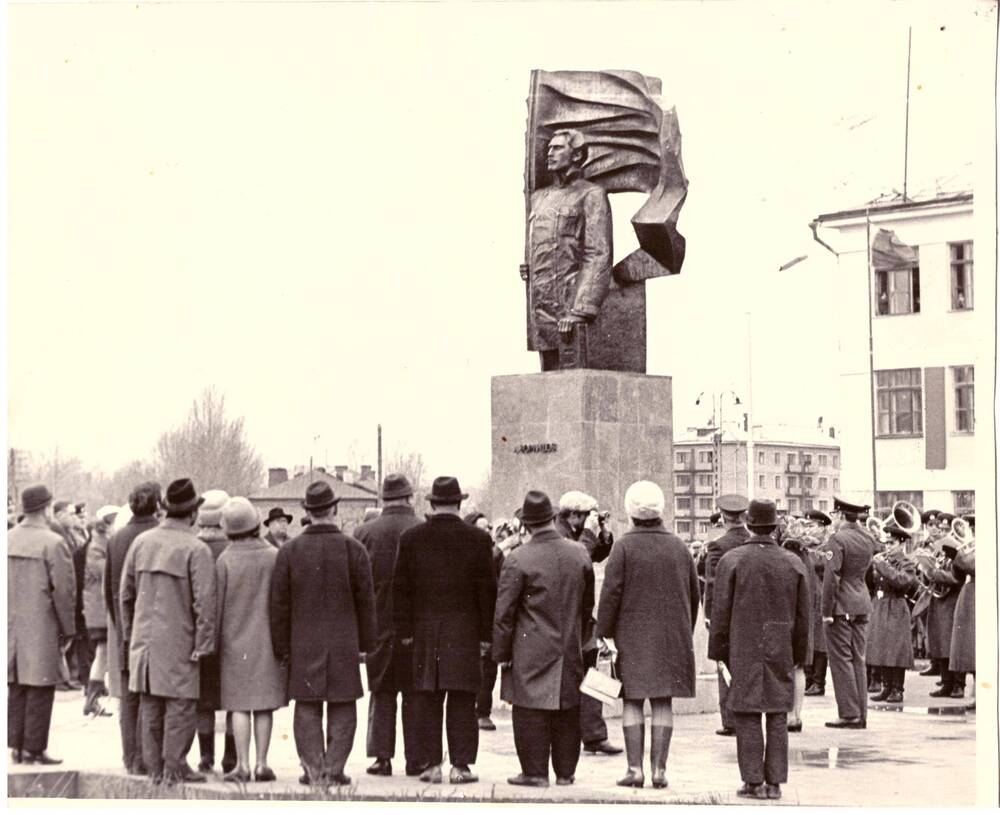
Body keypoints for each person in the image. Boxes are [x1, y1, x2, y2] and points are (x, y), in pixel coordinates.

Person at [269, 481, 376, 787]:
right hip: (344, 640)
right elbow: (366, 601)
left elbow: (279, 604)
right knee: (343, 703)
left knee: (307, 704)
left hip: (303, 641)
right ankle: (334, 768)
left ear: (307, 511)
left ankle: (314, 771)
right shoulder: (353, 549)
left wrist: (281, 646)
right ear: (335, 509)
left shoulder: (289, 551)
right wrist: (367, 643)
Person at [394, 476, 496, 784]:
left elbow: (401, 590)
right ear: (459, 503)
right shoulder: (478, 539)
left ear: (433, 504)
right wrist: (485, 636)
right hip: (464, 630)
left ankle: (431, 766)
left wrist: (406, 631)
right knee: (464, 699)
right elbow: (487, 592)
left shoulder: (411, 538)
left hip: (425, 630)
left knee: (427, 697)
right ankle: (461, 767)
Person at [597, 481, 699, 789]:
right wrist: (683, 630)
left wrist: (604, 633)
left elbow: (610, 595)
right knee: (663, 703)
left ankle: (634, 770)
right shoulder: (680, 547)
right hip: (671, 636)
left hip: (632, 637)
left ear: (631, 512)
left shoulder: (623, 546)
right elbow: (694, 595)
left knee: (632, 701)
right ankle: (659, 771)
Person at [709, 499, 810, 801]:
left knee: (747, 712)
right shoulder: (793, 562)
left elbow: (720, 612)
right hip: (781, 643)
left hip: (743, 643)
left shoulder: (733, 560)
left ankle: (753, 781)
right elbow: (804, 615)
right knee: (779, 712)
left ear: (749, 524)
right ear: (776, 525)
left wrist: (718, 652)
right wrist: (800, 655)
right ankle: (775, 782)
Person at [493, 490, 593, 788]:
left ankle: (534, 772)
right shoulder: (579, 553)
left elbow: (504, 613)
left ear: (526, 523)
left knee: (529, 709)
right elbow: (587, 605)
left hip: (530, 647)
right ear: (553, 518)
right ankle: (565, 772)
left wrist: (500, 653)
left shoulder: (517, 559)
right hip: (570, 645)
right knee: (567, 706)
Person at [121, 478, 217, 785]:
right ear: (192, 513)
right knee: (180, 705)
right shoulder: (196, 548)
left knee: (151, 704)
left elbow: (125, 595)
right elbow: (205, 603)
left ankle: (155, 769)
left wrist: (130, 635)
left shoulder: (141, 543)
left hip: (144, 642)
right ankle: (175, 765)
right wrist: (203, 644)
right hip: (180, 640)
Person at [522, 129, 613, 371]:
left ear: (576, 156)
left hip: (570, 309)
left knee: (573, 387)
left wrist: (580, 311)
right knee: (549, 392)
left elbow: (598, 254)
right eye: (549, 148)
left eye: (557, 148)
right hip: (541, 311)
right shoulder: (538, 198)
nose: (549, 153)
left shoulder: (591, 194)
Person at [353, 474, 423, 778]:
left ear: (383, 499)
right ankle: (416, 758)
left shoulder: (364, 532)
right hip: (417, 627)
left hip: (377, 624)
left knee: (382, 692)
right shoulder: (422, 528)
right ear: (409, 498)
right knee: (414, 693)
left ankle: (381, 757)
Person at [215, 498, 288, 783]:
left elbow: (218, 607)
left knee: (239, 705)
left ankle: (242, 765)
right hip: (268, 641)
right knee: (264, 705)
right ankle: (262, 764)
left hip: (234, 644)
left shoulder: (225, 560)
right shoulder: (273, 556)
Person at [8, 484, 76, 765]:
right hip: (42, 625)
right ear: (47, 508)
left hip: (10, 626)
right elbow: (64, 591)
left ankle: (17, 746)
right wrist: (68, 628)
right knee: (41, 686)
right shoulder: (53, 543)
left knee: (16, 685)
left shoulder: (7, 538)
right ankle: (34, 748)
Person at [555, 490, 620, 757]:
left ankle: (595, 735)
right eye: (586, 515)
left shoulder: (577, 533)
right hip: (563, 618)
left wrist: (602, 535)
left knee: (592, 672)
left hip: (581, 617)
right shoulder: (559, 534)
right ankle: (584, 735)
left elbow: (595, 554)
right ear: (572, 515)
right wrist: (590, 536)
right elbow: (575, 559)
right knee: (575, 677)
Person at [105, 481, 161, 775]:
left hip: (125, 630)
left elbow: (107, 590)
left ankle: (131, 759)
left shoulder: (116, 539)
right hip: (155, 631)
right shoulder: (159, 536)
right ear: (159, 505)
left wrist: (121, 626)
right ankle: (150, 758)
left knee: (128, 696)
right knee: (152, 696)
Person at [190, 489, 236, 774]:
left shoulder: (192, 548)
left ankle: (206, 756)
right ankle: (231, 756)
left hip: (198, 637)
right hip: (231, 637)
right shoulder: (233, 550)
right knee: (233, 700)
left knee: (203, 701)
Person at [822, 497, 876, 729]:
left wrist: (826, 611)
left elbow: (831, 578)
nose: (833, 519)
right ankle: (860, 713)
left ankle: (848, 713)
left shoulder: (836, 540)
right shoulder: (868, 538)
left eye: (835, 515)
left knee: (841, 660)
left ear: (842, 516)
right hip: (861, 602)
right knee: (858, 659)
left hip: (841, 605)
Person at [702, 494, 751, 737]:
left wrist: (709, 615)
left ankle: (730, 720)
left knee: (725, 665)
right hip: (750, 615)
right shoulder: (753, 541)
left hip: (727, 614)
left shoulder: (718, 546)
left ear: (722, 517)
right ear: (743, 516)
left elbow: (712, 585)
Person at [775, 516, 820, 732]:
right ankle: (796, 716)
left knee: (786, 667)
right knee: (800, 667)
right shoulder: (807, 559)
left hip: (786, 617)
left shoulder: (785, 559)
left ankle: (787, 714)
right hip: (806, 617)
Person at [866, 525, 918, 704]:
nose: (888, 546)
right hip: (880, 605)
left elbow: (903, 582)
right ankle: (886, 686)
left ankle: (897, 689)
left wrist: (882, 566)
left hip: (896, 605)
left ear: (901, 544)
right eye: (886, 543)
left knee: (896, 649)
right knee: (882, 647)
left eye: (892, 543)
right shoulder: (882, 560)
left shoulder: (906, 562)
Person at [465, 512, 504, 732]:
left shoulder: (496, 554)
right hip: (472, 620)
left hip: (490, 618)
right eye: (482, 528)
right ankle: (474, 710)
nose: (487, 532)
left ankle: (483, 712)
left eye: (488, 527)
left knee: (489, 668)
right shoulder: (471, 552)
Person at [82, 505, 119, 717]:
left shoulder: (101, 543)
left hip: (100, 609)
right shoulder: (97, 547)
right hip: (99, 611)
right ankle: (92, 698)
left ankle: (93, 698)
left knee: (103, 654)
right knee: (102, 653)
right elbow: (103, 571)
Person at [803, 511, 833, 697]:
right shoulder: (805, 547)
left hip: (821, 596)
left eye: (812, 526)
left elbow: (826, 564)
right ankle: (807, 679)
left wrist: (810, 552)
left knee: (820, 641)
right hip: (807, 596)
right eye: (807, 526)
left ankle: (818, 681)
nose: (809, 530)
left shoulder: (828, 546)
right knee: (807, 639)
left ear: (822, 527)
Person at [948, 517, 975, 711]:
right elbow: (959, 575)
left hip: (978, 594)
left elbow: (974, 566)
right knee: (969, 645)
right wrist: (954, 558)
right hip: (969, 594)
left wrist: (959, 555)